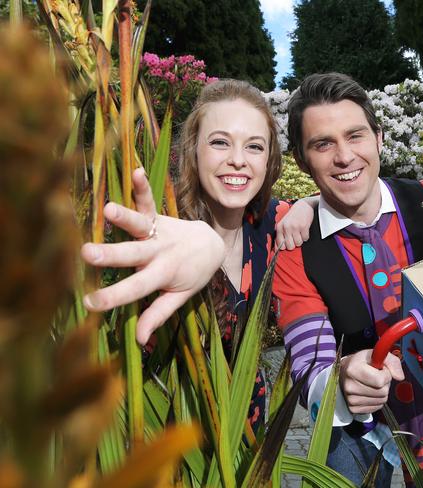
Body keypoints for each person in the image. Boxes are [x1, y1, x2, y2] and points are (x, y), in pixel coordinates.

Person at [271, 72, 423, 487]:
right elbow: (308, 356)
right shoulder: (296, 244)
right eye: (323, 144)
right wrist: (338, 378)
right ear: (301, 160)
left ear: (379, 137)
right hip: (355, 438)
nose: (345, 156)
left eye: (356, 136)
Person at [84, 78, 315, 432]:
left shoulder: (270, 224)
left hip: (246, 430)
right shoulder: (161, 231)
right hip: (168, 436)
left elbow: (349, 195)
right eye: (220, 142)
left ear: (269, 160)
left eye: (254, 147)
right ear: (193, 150)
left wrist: (309, 205)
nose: (238, 160)